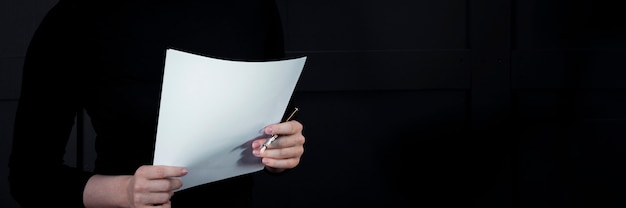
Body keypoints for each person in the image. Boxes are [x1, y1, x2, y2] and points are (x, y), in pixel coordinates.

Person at [8, 0, 305, 207]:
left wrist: (281, 152)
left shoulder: (253, 7)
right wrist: (124, 192)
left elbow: (274, 130)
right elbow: (29, 178)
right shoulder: (76, 17)